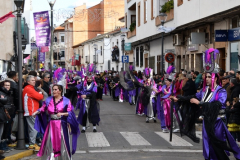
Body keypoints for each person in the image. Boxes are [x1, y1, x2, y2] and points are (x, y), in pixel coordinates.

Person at [173, 48, 240, 160]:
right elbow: (193, 97)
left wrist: (200, 103)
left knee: (216, 147)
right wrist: (179, 99)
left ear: (215, 78)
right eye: (206, 77)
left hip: (217, 122)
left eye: (209, 77)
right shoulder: (204, 91)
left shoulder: (220, 91)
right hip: (207, 122)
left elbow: (217, 104)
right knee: (207, 146)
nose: (207, 79)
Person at [34, 84, 80, 159]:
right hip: (51, 125)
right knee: (50, 143)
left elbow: (70, 113)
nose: (54, 91)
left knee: (62, 143)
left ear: (60, 91)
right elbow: (43, 108)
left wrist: (62, 113)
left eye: (56, 89)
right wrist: (36, 112)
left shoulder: (66, 101)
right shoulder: (48, 100)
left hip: (62, 125)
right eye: (53, 89)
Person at [76, 64, 100, 133]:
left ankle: (94, 127)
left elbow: (94, 93)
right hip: (84, 102)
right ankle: (83, 128)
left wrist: (86, 96)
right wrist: (70, 88)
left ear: (92, 78)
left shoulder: (94, 85)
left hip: (92, 102)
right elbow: (77, 88)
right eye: (88, 78)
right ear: (86, 78)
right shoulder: (83, 84)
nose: (89, 79)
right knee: (84, 114)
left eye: (90, 78)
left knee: (93, 113)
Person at [22, 75, 43, 151]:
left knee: (33, 128)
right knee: (33, 128)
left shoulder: (29, 88)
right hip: (31, 111)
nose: (34, 81)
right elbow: (39, 97)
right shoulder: (29, 89)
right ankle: (32, 144)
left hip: (32, 110)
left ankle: (32, 143)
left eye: (34, 80)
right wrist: (40, 93)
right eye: (32, 80)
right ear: (28, 82)